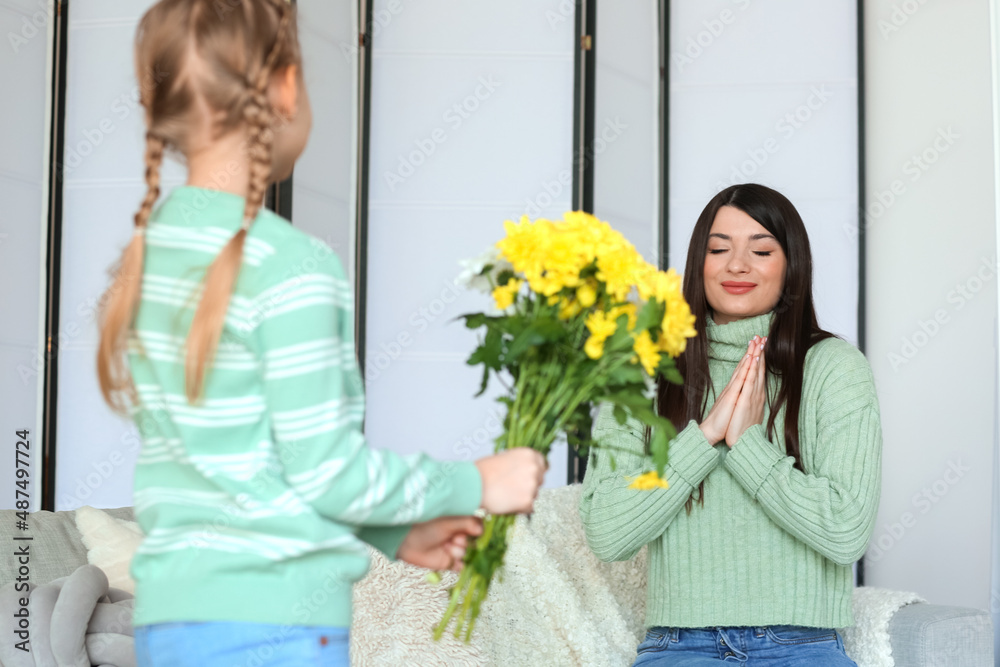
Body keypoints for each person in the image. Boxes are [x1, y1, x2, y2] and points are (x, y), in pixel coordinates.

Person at [94, 1, 545, 664]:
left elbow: (252, 462)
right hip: (278, 627)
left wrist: (395, 535)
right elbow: (328, 470)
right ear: (283, 86)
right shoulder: (293, 264)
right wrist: (476, 481)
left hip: (171, 623)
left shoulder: (146, 260)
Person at [580, 183, 881, 666]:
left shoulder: (834, 367)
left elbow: (846, 531)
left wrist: (745, 445)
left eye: (761, 250)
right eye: (719, 249)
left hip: (802, 646)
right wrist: (701, 438)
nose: (737, 265)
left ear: (791, 266)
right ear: (699, 263)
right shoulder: (642, 370)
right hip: (678, 647)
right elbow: (608, 534)